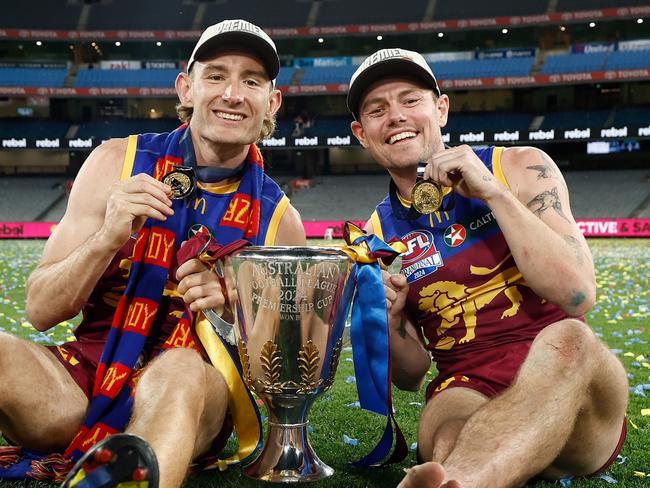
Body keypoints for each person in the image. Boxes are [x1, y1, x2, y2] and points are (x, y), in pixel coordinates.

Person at [0, 19, 305, 488]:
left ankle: (139, 470)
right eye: (216, 75)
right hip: (83, 381)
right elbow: (40, 310)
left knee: (182, 366)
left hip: (190, 392)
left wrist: (235, 311)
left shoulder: (279, 218)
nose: (233, 93)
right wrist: (105, 237)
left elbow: (287, 368)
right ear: (186, 88)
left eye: (252, 81)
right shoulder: (113, 162)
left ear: (272, 101)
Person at [346, 48, 628, 488]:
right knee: (445, 432)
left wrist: (494, 194)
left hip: (567, 379)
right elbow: (410, 376)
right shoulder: (375, 234)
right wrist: (393, 320)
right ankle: (457, 478)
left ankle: (458, 473)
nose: (396, 116)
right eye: (378, 110)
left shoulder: (518, 165)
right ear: (362, 134)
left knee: (571, 339)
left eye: (410, 100)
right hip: (467, 383)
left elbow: (577, 293)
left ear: (440, 109)